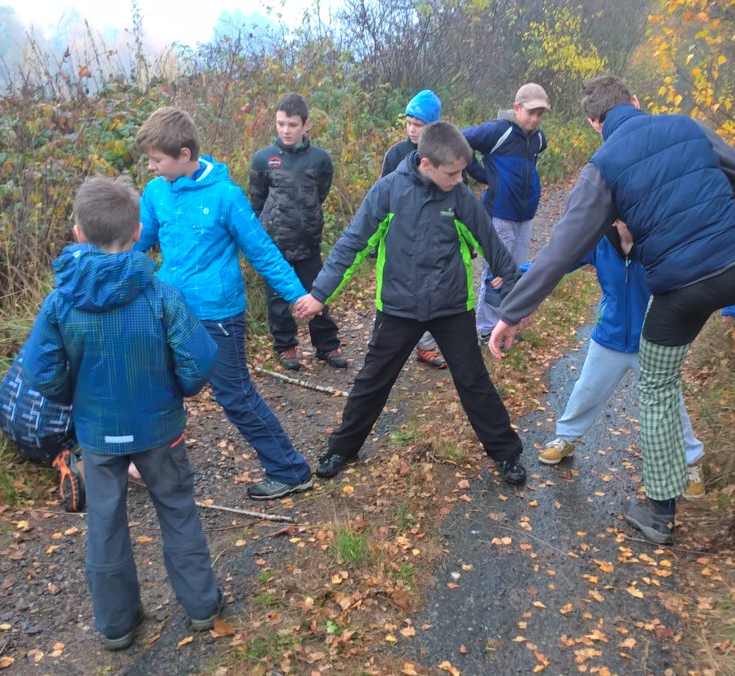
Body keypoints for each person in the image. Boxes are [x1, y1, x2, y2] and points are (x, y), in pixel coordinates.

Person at [490, 75, 735, 544]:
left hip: (679, 294)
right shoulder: (686, 126)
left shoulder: (602, 166)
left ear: (594, 123)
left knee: (657, 389)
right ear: (636, 101)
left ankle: (660, 514)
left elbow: (561, 248)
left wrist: (512, 312)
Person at [22, 176, 224, 650]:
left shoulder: (60, 302)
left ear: (78, 233)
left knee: (104, 522)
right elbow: (198, 359)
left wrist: (74, 396)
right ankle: (202, 607)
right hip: (159, 428)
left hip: (97, 432)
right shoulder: (160, 295)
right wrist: (178, 390)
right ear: (137, 233)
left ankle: (116, 624)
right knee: (177, 510)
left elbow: (39, 370)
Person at [297, 122, 528, 486]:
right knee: (372, 381)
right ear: (425, 163)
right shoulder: (388, 191)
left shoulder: (460, 197)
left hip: (451, 306)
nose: (460, 179)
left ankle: (506, 453)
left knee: (474, 381)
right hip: (398, 307)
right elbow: (353, 243)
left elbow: (494, 250)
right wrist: (319, 294)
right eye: (452, 173)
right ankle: (343, 448)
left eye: (463, 172)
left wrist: (515, 306)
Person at [134, 106, 317, 501]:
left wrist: (297, 294)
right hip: (169, 311)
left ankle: (290, 470)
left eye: (157, 159)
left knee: (235, 396)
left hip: (217, 316)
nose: (151, 167)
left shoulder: (225, 197)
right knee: (156, 386)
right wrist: (104, 272)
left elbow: (261, 250)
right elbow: (137, 244)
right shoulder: (155, 192)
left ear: (184, 154)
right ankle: (151, 464)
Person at [536, 222, 735, 500]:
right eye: (624, 216)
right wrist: (516, 275)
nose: (631, 220)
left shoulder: (663, 243)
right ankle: (566, 439)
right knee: (586, 391)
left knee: (669, 403)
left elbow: (710, 265)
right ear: (615, 218)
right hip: (608, 337)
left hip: (653, 341)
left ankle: (691, 461)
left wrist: (731, 305)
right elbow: (557, 262)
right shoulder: (599, 242)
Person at [248, 93, 347, 371]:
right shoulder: (263, 159)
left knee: (317, 294)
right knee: (278, 300)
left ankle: (326, 345)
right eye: (281, 124)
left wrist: (308, 218)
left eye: (292, 125)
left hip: (309, 242)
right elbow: (256, 201)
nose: (286, 130)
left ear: (305, 125)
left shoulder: (320, 160)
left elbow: (321, 193)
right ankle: (285, 346)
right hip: (274, 245)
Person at [462, 83, 549, 343]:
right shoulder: (498, 131)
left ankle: (507, 322)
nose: (535, 119)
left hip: (525, 215)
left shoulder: (538, 139)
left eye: (540, 114)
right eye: (531, 112)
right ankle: (487, 327)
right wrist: (481, 174)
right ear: (516, 108)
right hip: (499, 213)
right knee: (496, 272)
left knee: (517, 272)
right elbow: (460, 139)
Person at [381, 89, 447, 369]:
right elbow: (380, 198)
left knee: (432, 292)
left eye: (417, 125)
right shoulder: (396, 154)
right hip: (401, 238)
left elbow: (460, 198)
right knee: (399, 295)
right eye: (408, 123)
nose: (411, 129)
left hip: (434, 238)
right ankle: (388, 351)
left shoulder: (446, 153)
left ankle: (427, 346)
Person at [0, 353, 84, 512]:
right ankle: (74, 462)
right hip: (53, 437)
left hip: (10, 427)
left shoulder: (37, 341)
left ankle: (57, 456)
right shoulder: (94, 349)